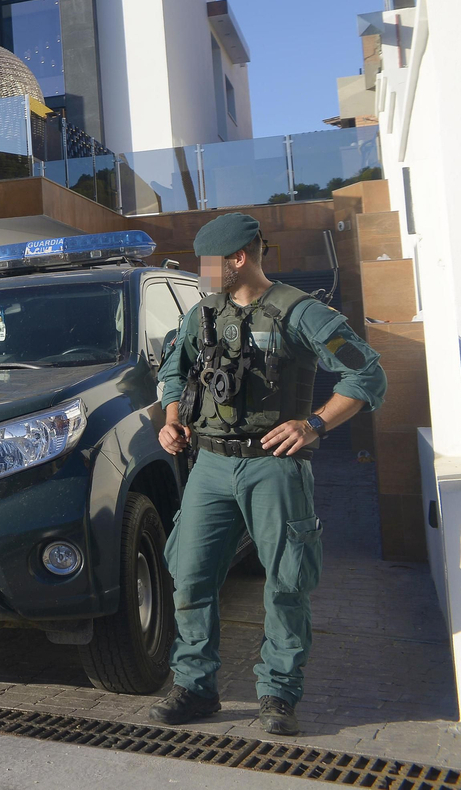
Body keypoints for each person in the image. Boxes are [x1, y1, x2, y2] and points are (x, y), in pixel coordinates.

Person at [150, 213, 386, 736]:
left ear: (238, 259)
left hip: (274, 467)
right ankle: (194, 687)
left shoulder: (301, 313)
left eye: (209, 263)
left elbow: (367, 373)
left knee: (286, 582)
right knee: (189, 575)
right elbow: (173, 370)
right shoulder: (201, 314)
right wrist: (172, 419)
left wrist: (314, 424)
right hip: (210, 465)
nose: (202, 273)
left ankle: (279, 694)